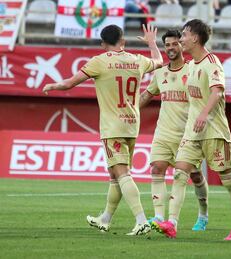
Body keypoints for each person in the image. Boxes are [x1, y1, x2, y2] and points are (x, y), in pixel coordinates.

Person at [42, 24, 163, 235]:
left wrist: (53, 86)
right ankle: (105, 219)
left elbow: (71, 83)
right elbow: (160, 62)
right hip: (131, 124)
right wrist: (152, 42)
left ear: (103, 44)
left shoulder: (100, 61)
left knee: (122, 173)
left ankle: (142, 220)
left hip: (112, 126)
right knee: (115, 174)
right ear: (123, 41)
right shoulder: (137, 60)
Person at [152, 19, 231, 241]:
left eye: (184, 35)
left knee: (228, 178)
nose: (181, 39)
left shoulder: (212, 63)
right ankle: (172, 223)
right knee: (179, 172)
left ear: (194, 38)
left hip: (214, 131)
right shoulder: (192, 65)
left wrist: (204, 114)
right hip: (192, 133)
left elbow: (217, 91)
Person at [139, 29, 209, 231]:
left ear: (182, 45)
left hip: (188, 134)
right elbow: (146, 95)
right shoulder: (160, 72)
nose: (170, 48)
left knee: (192, 176)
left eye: (174, 44)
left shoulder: (193, 70)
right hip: (163, 132)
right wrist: (130, 110)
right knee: (157, 169)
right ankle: (161, 217)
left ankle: (203, 214)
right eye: (167, 45)